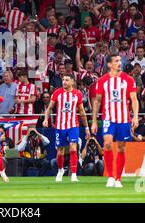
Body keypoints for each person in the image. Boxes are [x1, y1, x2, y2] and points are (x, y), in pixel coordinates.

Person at [91, 54, 139, 188]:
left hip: (124, 119)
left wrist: (135, 116)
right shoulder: (102, 81)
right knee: (107, 144)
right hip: (108, 118)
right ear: (109, 64)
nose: (119, 63)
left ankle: (118, 178)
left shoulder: (128, 80)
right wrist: (94, 121)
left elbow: (134, 99)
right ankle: (110, 177)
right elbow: (98, 102)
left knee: (121, 147)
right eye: (116, 61)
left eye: (120, 60)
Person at [43, 75, 90, 182]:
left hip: (73, 125)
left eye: (66, 80)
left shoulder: (77, 94)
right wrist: (46, 119)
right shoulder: (57, 93)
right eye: (63, 80)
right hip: (60, 126)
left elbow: (82, 111)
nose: (64, 82)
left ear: (72, 81)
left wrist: (86, 127)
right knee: (60, 151)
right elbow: (50, 108)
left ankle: (73, 174)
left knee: (73, 147)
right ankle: (60, 170)